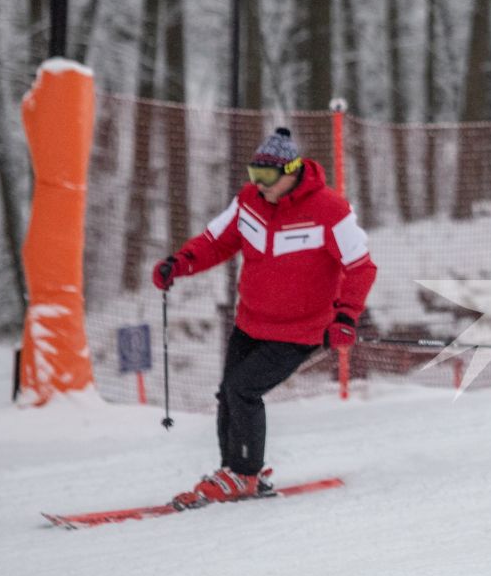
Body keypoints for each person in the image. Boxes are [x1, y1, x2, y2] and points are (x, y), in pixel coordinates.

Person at [152, 129, 377, 507]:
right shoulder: (249, 201)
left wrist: (346, 316)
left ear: (291, 172)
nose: (259, 185)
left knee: (244, 389)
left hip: (300, 329)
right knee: (229, 393)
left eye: (267, 178)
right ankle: (233, 471)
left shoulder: (331, 211)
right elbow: (216, 241)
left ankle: (244, 474)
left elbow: (361, 267)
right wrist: (181, 263)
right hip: (251, 321)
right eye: (254, 175)